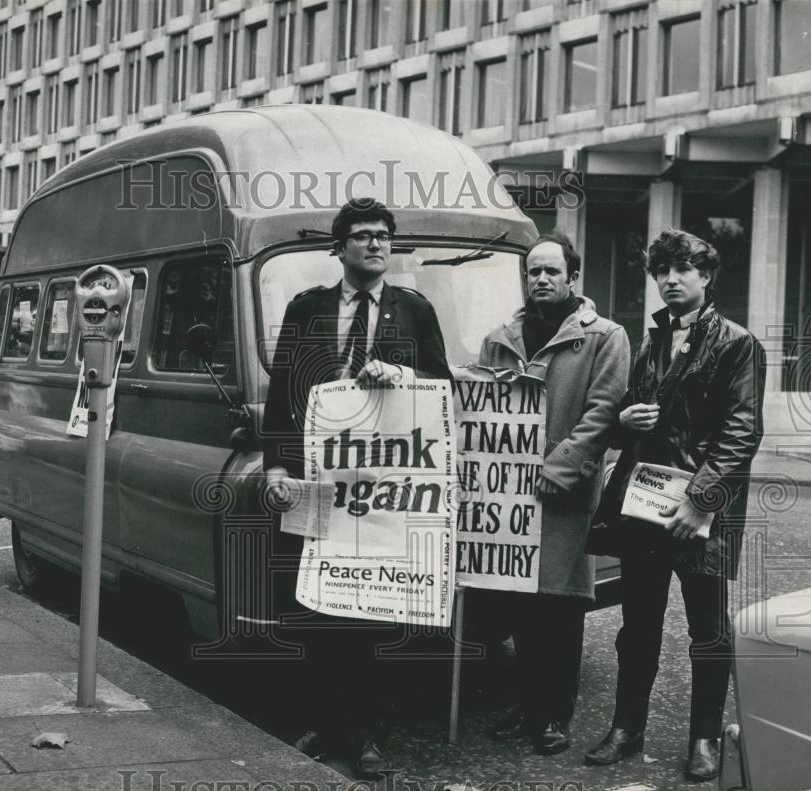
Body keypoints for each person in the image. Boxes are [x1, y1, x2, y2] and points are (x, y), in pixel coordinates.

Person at [262, 197, 452, 778]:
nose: (376, 245)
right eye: (363, 236)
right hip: (319, 484)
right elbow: (282, 393)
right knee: (318, 605)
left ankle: (370, 733)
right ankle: (327, 723)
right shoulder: (306, 308)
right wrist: (275, 465)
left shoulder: (414, 310)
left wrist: (404, 375)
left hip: (383, 494)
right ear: (338, 247)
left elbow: (444, 389)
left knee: (375, 610)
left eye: (384, 236)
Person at [584, 229, 766, 781]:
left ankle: (705, 738)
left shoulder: (737, 342)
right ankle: (626, 727)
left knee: (707, 631)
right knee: (637, 625)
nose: (669, 280)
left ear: (705, 276)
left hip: (699, 514)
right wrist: (625, 419)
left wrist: (700, 501)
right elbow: (631, 414)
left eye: (682, 269)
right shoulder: (651, 340)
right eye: (661, 271)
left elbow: (742, 431)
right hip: (645, 508)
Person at [475, 231, 631, 755]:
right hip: (510, 497)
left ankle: (554, 716)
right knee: (519, 605)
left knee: (560, 609)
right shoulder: (500, 338)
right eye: (533, 272)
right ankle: (527, 706)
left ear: (572, 277)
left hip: (562, 497)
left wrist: (559, 466)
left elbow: (603, 413)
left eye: (551, 271)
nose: (541, 279)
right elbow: (482, 408)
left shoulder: (605, 336)